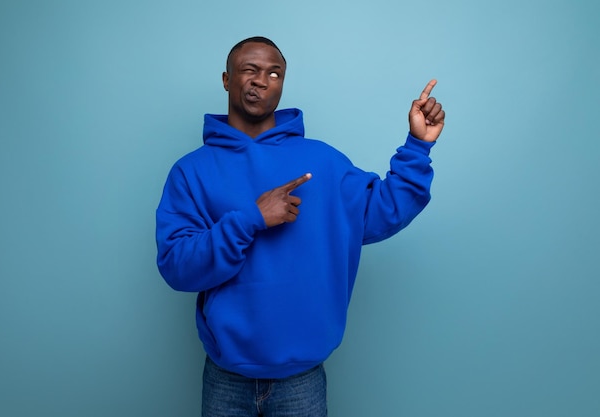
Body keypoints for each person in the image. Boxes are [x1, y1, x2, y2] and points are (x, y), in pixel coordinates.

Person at [156, 36, 445, 417]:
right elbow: (178, 266)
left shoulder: (322, 161)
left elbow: (385, 210)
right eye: (250, 70)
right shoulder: (191, 172)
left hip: (302, 382)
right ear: (227, 80)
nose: (262, 80)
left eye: (274, 73)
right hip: (226, 377)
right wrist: (251, 219)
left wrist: (417, 146)